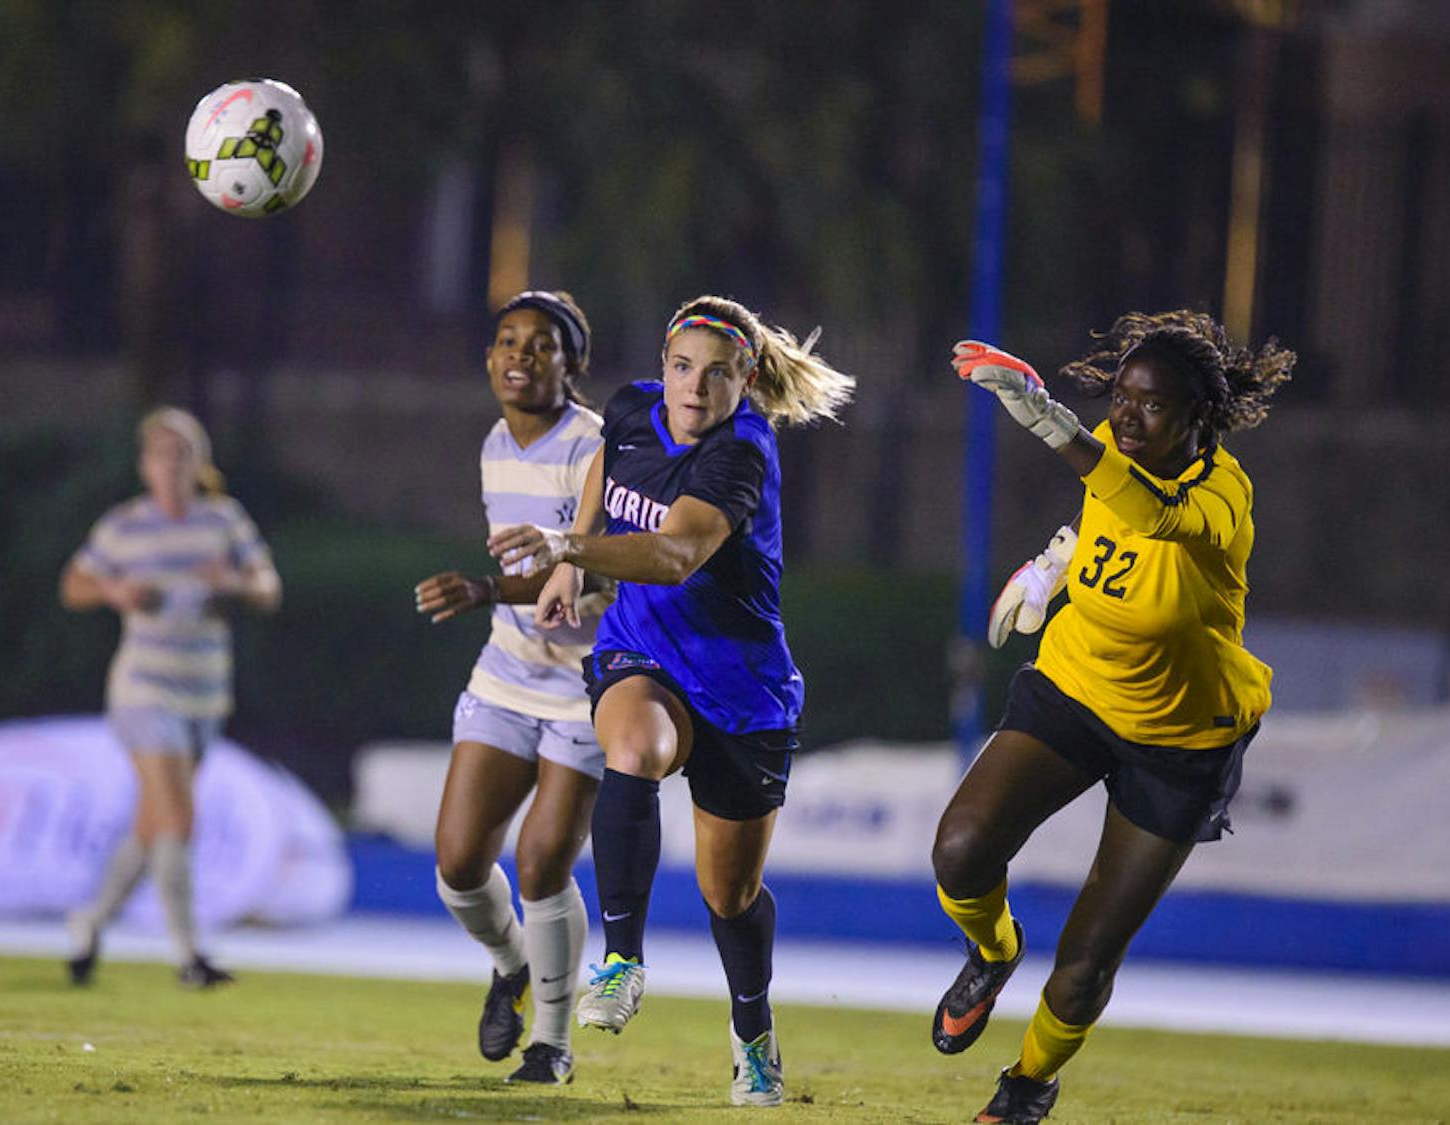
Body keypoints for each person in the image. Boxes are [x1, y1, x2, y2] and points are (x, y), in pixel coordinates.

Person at [488, 294, 855, 1107]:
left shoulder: (742, 454)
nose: (694, 389)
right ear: (661, 368)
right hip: (641, 653)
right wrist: (570, 564)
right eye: (682, 368)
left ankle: (752, 1031)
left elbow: (674, 551)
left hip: (742, 688)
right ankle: (621, 958)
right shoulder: (630, 410)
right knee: (635, 747)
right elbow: (605, 469)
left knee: (730, 896)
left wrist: (565, 544)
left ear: (746, 379)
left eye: (717, 374)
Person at [930, 310, 1295, 1123]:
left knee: (1087, 963)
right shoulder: (1115, 446)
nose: (1126, 416)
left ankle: (1026, 1086)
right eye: (1121, 398)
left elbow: (1154, 515)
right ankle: (992, 952)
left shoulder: (1223, 493)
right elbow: (1104, 512)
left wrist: (1051, 425)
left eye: (1152, 405)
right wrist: (1051, 565)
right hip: (1079, 685)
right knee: (960, 850)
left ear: (1198, 419)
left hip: (1181, 735)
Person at [413, 289, 610, 1085]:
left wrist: (488, 589)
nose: (519, 356)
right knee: (459, 862)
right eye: (506, 341)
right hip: (507, 672)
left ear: (573, 364)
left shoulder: (597, 446)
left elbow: (591, 568)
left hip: (587, 685)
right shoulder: (495, 441)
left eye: (540, 344)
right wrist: (495, 595)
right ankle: (511, 963)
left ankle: (552, 1044)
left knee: (540, 866)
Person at [60, 406, 281, 989]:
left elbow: (267, 585)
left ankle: (88, 922)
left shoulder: (223, 520)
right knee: (179, 816)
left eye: (182, 452)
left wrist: (231, 583)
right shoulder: (125, 526)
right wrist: (114, 590)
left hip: (205, 693)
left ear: (198, 463)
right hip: (143, 688)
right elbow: (75, 583)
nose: (171, 462)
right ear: (144, 465)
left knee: (154, 821)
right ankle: (189, 956)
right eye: (161, 452)